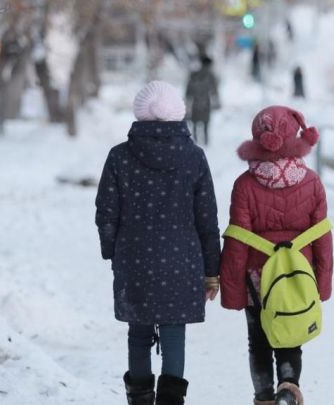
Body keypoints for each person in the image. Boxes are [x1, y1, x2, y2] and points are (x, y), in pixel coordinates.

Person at [95, 81, 221, 405]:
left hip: (134, 258)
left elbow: (106, 213)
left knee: (138, 333)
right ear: (178, 113)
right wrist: (212, 271)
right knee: (174, 332)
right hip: (182, 261)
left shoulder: (120, 157)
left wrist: (113, 252)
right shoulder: (193, 157)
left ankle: (138, 400)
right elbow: (207, 219)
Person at [219, 106, 334, 405]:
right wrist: (323, 282)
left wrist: (232, 291)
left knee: (258, 342)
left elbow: (236, 241)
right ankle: (288, 387)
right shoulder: (311, 182)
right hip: (298, 274)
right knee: (290, 336)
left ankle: (264, 397)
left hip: (257, 278)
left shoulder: (244, 185)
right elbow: (322, 236)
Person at [186, 56, 220, 146]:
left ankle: (195, 140)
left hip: (195, 102)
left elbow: (188, 90)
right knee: (206, 123)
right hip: (206, 102)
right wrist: (217, 102)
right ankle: (206, 141)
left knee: (195, 122)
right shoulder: (211, 75)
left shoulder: (194, 74)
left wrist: (188, 99)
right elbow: (215, 90)